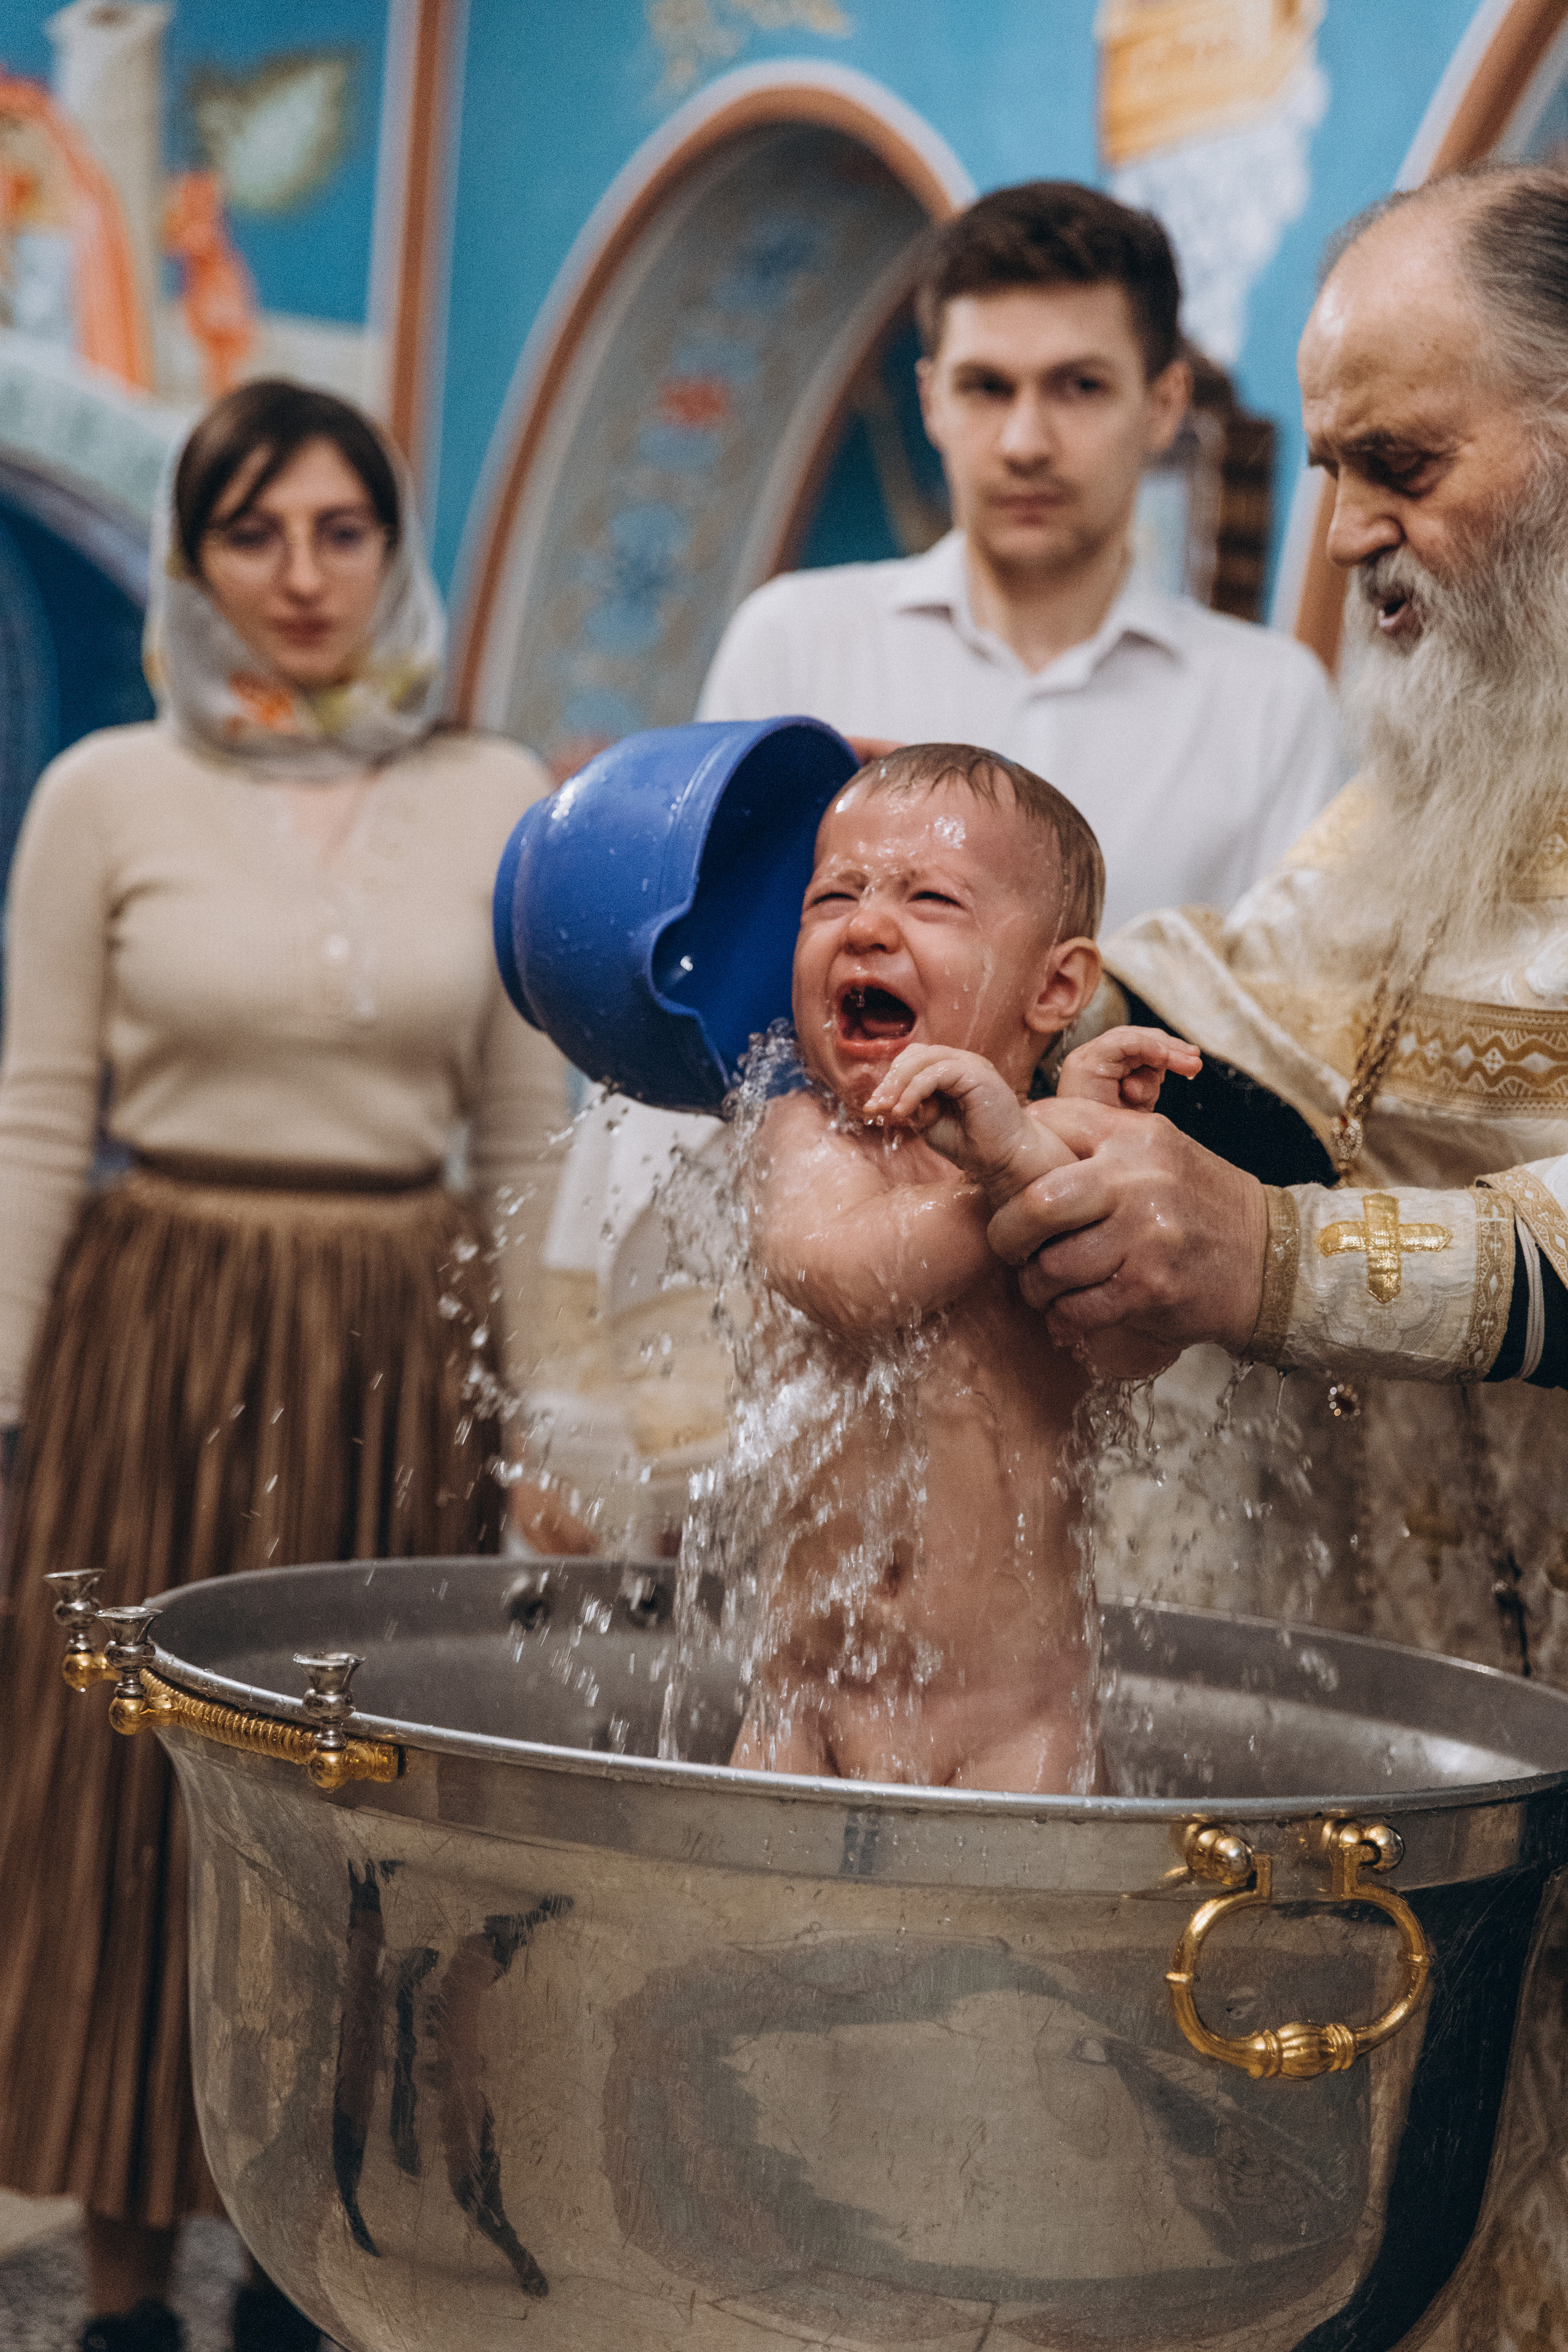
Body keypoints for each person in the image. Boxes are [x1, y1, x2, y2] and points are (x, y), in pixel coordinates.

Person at [975, 165, 1568, 2335]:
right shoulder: (1459, 755)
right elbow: (1262, 1033)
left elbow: (1295, 1222)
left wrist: (1284, 1263)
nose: (1344, 537)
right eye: (1330, 470)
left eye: (1403, 464)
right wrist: (1027, 1060)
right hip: (1470, 1748)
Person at [0, 382, 571, 2352]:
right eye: (256, 535)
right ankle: (132, 2287)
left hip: (398, 1359)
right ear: (193, 562)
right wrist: (1, 1399)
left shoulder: (499, 792)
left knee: (361, 1804)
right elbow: (33, 1107)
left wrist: (550, 1425)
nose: (303, 576)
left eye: (343, 531)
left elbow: (525, 1150)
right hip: (148, 1338)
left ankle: (317, 2277)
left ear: (392, 550)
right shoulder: (103, 792)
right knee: (124, 1802)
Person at [735, 742, 1197, 1792]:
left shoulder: (1069, 1155)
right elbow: (847, 1285)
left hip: (1013, 1723)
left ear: (1057, 985)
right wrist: (1013, 1168)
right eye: (833, 895)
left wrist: (1059, 1148)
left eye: (931, 898)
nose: (866, 925)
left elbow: (1133, 1351)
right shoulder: (808, 1135)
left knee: (1008, 1960)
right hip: (808, 1703)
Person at [698, 180, 1340, 933]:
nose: (1025, 444)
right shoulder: (793, 644)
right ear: (932, 401)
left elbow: (1280, 1021)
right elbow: (717, 958)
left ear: (1164, 405)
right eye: (987, 388)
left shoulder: (1269, 703)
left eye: (1079, 387)